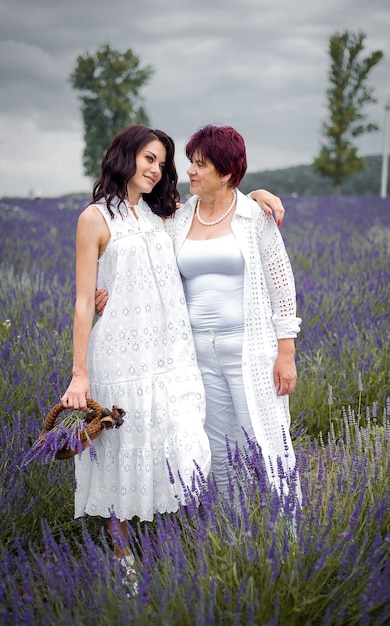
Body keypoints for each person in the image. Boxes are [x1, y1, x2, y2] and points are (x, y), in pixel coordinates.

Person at [60, 124, 212, 589]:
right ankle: (127, 567)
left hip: (171, 356)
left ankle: (186, 550)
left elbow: (222, 208)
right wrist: (79, 376)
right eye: (149, 159)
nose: (156, 170)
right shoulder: (94, 219)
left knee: (184, 443)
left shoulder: (163, 215)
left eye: (162, 164)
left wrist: (263, 194)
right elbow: (85, 301)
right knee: (120, 454)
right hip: (121, 358)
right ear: (126, 157)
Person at [165, 124, 302, 504]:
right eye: (190, 163)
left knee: (267, 437)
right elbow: (140, 253)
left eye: (201, 164)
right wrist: (107, 290)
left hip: (249, 350)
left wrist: (285, 354)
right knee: (217, 445)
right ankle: (232, 527)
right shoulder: (177, 217)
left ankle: (286, 532)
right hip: (196, 354)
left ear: (226, 173)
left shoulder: (254, 216)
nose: (190, 171)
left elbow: (282, 286)